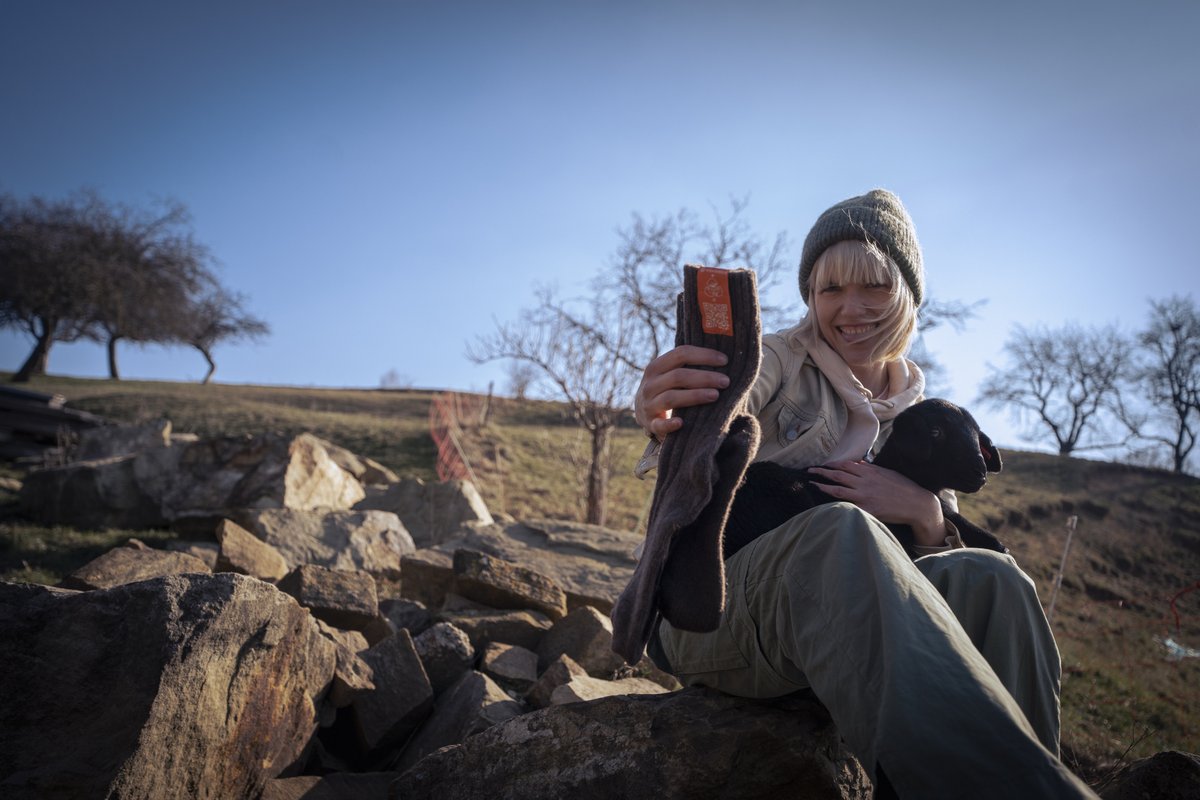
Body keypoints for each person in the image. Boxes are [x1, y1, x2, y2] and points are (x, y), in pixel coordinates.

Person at [631, 189, 1097, 798]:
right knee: (841, 530)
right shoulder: (773, 360)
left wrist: (925, 514)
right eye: (830, 289)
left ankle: (1025, 770)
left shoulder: (921, 414)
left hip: (855, 634)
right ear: (810, 297)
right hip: (719, 608)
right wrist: (666, 406)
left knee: (993, 579)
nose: (851, 308)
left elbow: (934, 567)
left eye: (873, 286)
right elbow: (720, 406)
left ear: (906, 294)